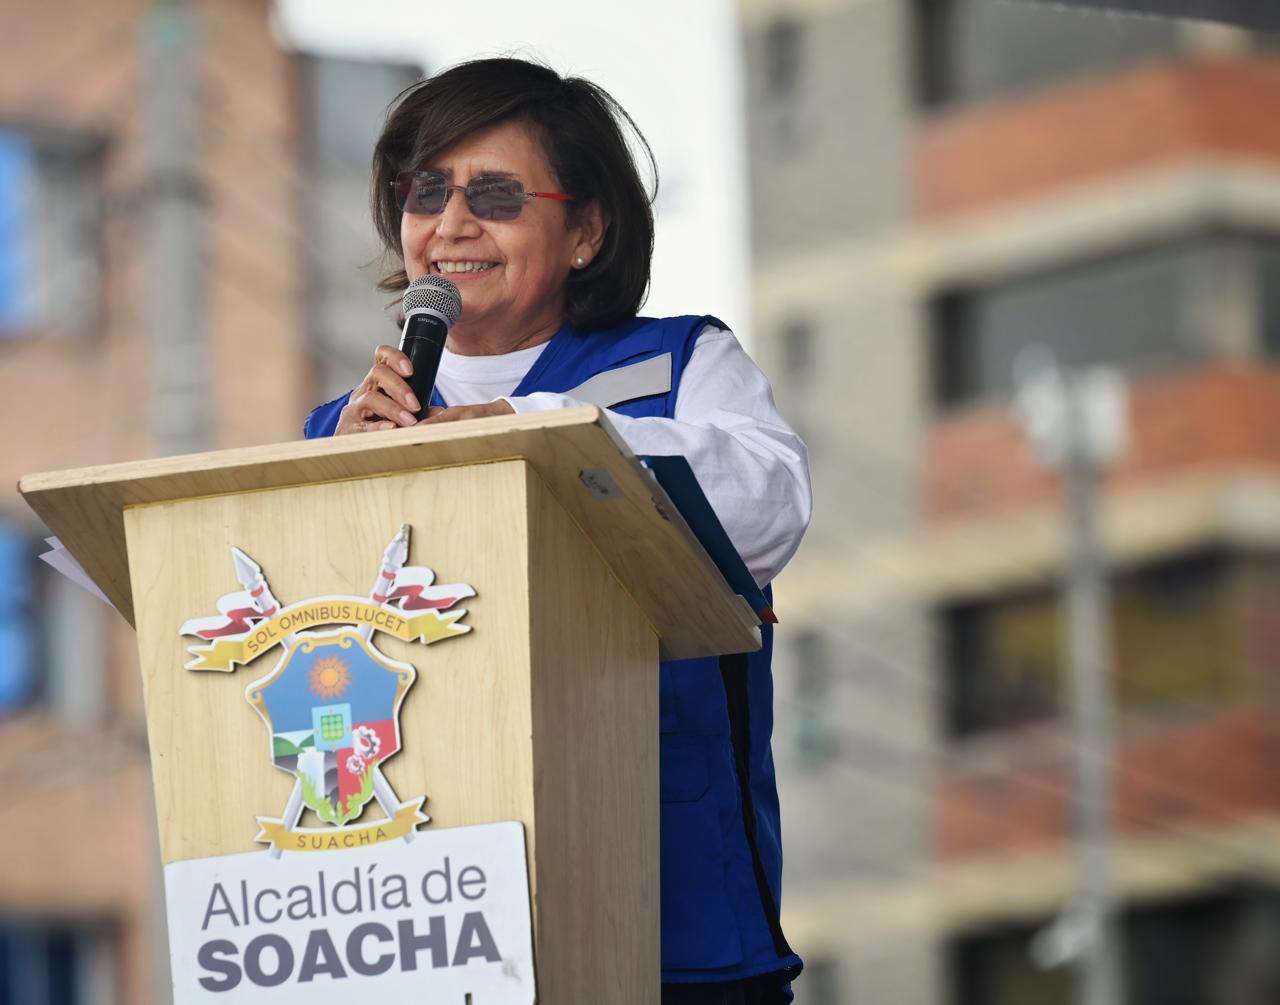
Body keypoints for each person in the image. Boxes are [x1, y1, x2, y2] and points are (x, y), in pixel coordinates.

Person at [303, 57, 811, 1004]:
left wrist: (545, 441)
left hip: (673, 923)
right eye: (424, 192)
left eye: (493, 194)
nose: (450, 225)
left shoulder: (680, 364)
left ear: (585, 230)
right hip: (427, 923)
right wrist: (340, 479)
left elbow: (770, 506)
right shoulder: (339, 429)